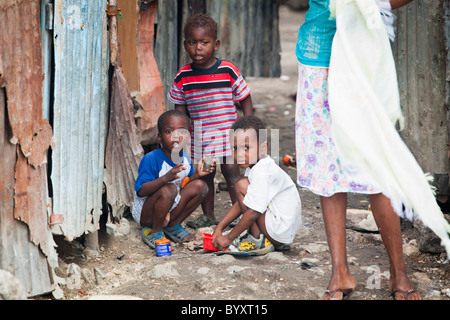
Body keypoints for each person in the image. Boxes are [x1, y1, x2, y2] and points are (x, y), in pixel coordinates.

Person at [295, 0, 419, 300]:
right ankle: (339, 273)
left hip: (362, 56)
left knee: (376, 168)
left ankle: (399, 274)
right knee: (327, 167)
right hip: (318, 53)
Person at [168, 13, 253, 229]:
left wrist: (248, 125)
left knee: (232, 174)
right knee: (206, 175)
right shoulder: (183, 76)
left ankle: (241, 212)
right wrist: (182, 138)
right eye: (192, 42)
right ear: (185, 44)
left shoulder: (227, 70)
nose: (198, 47)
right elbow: (180, 112)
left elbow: (244, 97)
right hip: (202, 139)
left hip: (228, 136)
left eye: (204, 42)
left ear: (215, 44)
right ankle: (209, 215)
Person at [212, 116, 302, 254]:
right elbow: (244, 202)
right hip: (282, 231)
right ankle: (261, 237)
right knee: (243, 186)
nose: (240, 154)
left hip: (279, 230)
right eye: (235, 148)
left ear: (263, 148)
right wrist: (220, 227)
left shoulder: (263, 171)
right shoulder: (258, 166)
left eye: (246, 148)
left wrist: (228, 238)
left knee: (241, 184)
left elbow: (253, 211)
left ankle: (256, 238)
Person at [132, 110, 214, 249]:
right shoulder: (152, 159)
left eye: (182, 132)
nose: (176, 137)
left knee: (201, 186)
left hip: (170, 207)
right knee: (169, 188)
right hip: (146, 214)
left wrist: (197, 175)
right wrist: (165, 178)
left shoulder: (186, 160)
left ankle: (172, 225)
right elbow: (141, 191)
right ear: (159, 137)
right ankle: (155, 231)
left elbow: (183, 185)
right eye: (169, 132)